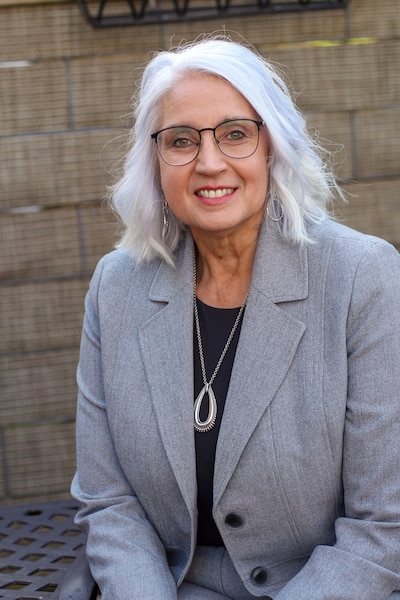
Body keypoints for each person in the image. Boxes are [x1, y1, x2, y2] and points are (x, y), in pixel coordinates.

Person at [71, 36, 400, 600]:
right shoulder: (116, 286)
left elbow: (383, 528)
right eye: (180, 141)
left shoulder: (362, 276)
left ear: (274, 146)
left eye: (235, 134)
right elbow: (109, 501)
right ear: (155, 162)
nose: (209, 162)